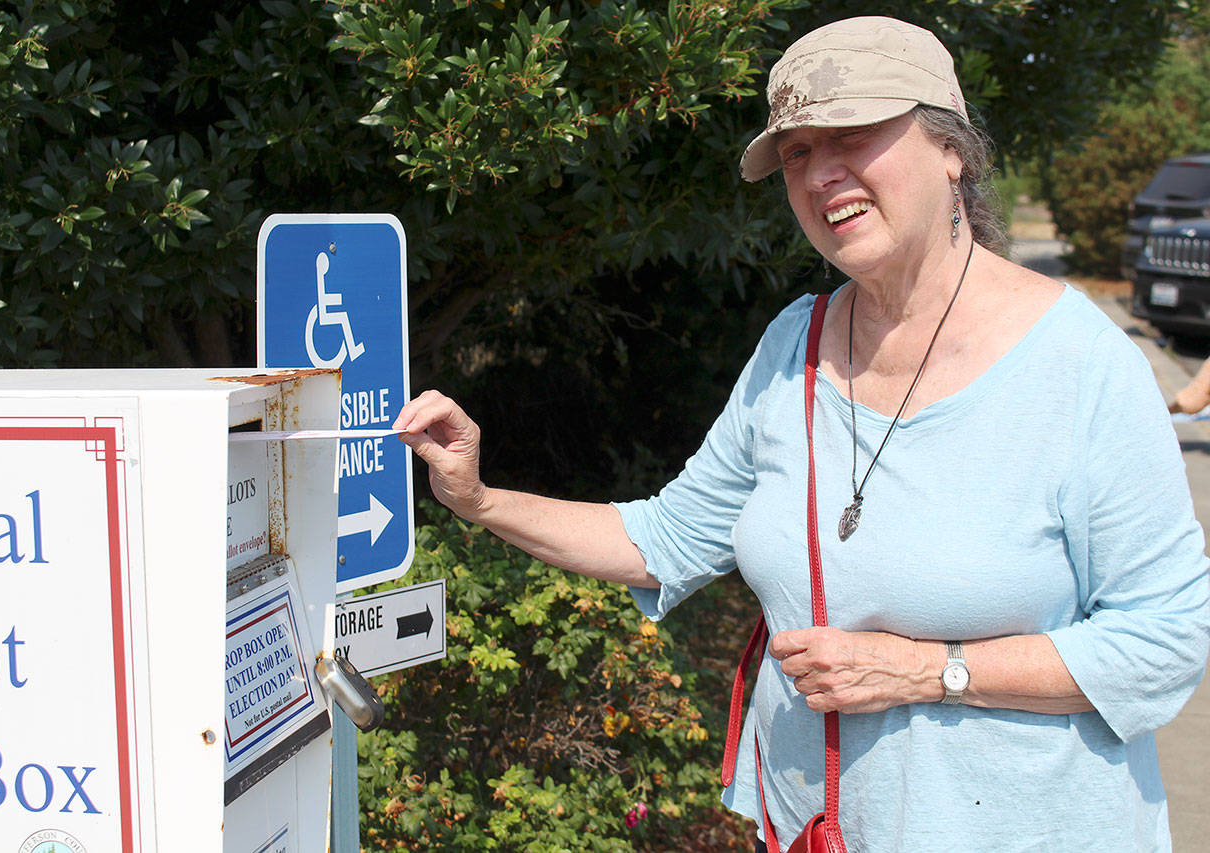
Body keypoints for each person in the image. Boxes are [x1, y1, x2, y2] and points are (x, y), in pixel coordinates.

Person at [394, 16, 1210, 852]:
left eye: (853, 133)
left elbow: (1167, 636)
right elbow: (665, 538)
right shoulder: (795, 346)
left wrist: (930, 670)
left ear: (953, 149)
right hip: (812, 830)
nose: (822, 173)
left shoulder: (1080, 367)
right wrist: (480, 497)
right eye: (795, 152)